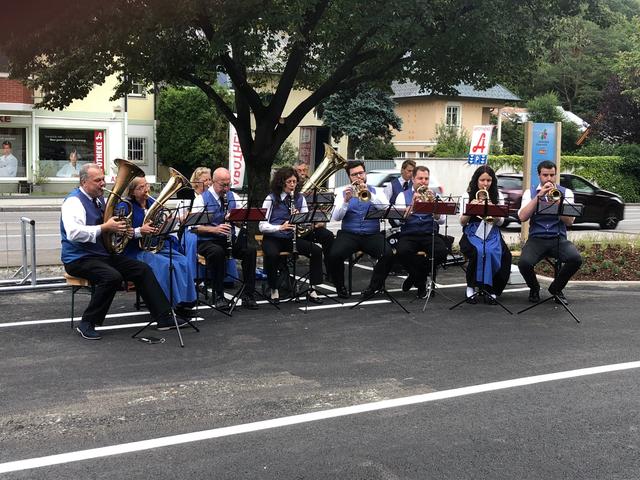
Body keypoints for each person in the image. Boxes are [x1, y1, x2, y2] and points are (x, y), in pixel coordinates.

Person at [60, 163, 186, 340]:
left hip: (101, 255)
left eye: (103, 179)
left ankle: (163, 317)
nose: (103, 184)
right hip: (78, 258)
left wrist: (137, 231)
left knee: (142, 269)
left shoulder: (100, 201)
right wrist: (105, 227)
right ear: (84, 182)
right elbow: (74, 233)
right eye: (98, 180)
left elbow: (117, 230)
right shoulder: (73, 201)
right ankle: (87, 323)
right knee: (111, 277)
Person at [122, 176, 197, 317]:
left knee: (183, 261)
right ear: (132, 191)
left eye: (147, 185)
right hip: (135, 250)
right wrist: (140, 231)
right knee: (165, 265)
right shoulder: (125, 206)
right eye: (141, 187)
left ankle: (185, 302)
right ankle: (168, 306)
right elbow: (120, 233)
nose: (146, 189)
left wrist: (169, 223)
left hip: (156, 246)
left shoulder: (152, 202)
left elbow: (160, 226)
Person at [192, 167, 259, 310]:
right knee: (217, 253)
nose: (226, 188)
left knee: (250, 251)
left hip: (228, 238)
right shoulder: (201, 200)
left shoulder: (233, 196)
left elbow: (242, 221)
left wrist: (236, 218)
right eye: (223, 185)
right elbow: (194, 227)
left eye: (228, 184)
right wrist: (214, 229)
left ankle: (248, 294)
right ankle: (219, 295)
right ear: (213, 183)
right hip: (207, 240)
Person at [517, 160, 583, 304]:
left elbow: (569, 222)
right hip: (537, 238)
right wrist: (538, 197)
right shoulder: (530, 192)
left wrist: (559, 203)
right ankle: (534, 287)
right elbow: (522, 217)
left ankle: (556, 288)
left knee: (575, 259)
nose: (549, 179)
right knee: (524, 263)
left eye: (552, 175)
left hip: (558, 238)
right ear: (539, 175)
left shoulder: (566, 193)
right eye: (545, 175)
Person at [259, 167, 324, 304]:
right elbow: (262, 225)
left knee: (316, 250)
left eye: (294, 181)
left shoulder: (300, 198)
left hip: (290, 238)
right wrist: (279, 227)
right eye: (289, 182)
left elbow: (306, 221)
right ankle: (274, 289)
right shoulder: (271, 199)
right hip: (273, 238)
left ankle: (312, 288)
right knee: (271, 254)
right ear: (281, 182)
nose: (292, 185)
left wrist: (299, 219)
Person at [328, 160, 392, 299]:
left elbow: (385, 208)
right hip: (349, 234)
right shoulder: (341, 192)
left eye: (361, 173)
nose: (359, 177)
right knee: (334, 255)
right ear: (349, 177)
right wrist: (345, 201)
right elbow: (336, 217)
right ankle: (340, 287)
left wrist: (369, 194)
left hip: (371, 234)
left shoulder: (377, 191)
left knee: (387, 254)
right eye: (354, 174)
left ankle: (373, 288)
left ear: (365, 173)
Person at [459, 165, 512, 303]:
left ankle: (490, 288)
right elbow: (462, 222)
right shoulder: (467, 195)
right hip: (472, 230)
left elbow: (500, 222)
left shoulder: (497, 195)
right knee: (478, 251)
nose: (485, 184)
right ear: (476, 180)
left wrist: (494, 211)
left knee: (498, 253)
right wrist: (470, 208)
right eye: (482, 180)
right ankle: (471, 287)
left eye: (489, 180)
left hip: (491, 229)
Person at [393, 166, 447, 298]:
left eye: (426, 179)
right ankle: (420, 281)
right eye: (420, 178)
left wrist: (434, 207)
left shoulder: (435, 195)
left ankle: (415, 276)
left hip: (429, 233)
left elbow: (442, 221)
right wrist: (412, 203)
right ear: (413, 179)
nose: (423, 182)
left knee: (442, 252)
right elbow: (397, 221)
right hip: (409, 234)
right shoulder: (402, 195)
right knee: (402, 252)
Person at [294, 160, 335, 281]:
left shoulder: (314, 187)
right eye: (299, 171)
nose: (302, 173)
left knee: (328, 236)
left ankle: (331, 273)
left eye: (305, 170)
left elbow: (322, 208)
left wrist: (321, 220)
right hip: (295, 230)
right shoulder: (289, 188)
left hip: (311, 227)